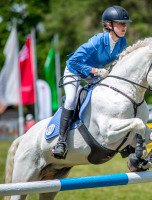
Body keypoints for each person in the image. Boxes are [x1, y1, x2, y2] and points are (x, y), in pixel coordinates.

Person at [52, 5, 132, 159]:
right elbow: (73, 61)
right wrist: (96, 71)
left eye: (125, 24)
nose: (124, 27)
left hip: (95, 74)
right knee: (71, 99)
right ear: (109, 25)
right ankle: (61, 142)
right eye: (120, 23)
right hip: (74, 71)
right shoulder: (96, 41)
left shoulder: (122, 42)